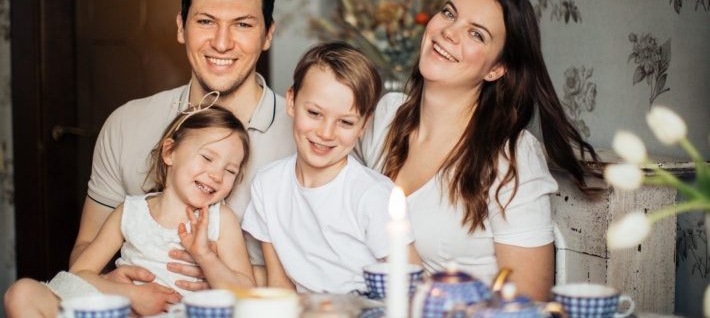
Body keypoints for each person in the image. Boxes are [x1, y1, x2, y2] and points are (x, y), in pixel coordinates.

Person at [353, 0, 601, 301]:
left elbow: (527, 302)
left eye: (476, 34)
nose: (449, 32)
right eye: (449, 13)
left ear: (496, 68)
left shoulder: (511, 157)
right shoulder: (385, 116)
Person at [5, 103, 256, 317]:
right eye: (207, 158)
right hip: (124, 311)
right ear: (169, 152)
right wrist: (131, 294)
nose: (216, 175)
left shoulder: (220, 220)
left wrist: (205, 256)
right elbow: (79, 275)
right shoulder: (130, 212)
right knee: (22, 293)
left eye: (230, 170)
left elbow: (247, 295)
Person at [241, 42, 421, 293]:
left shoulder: (372, 195)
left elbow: (414, 287)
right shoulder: (267, 185)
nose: (325, 133)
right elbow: (280, 285)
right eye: (314, 113)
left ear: (363, 124)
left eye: (345, 122)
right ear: (291, 101)